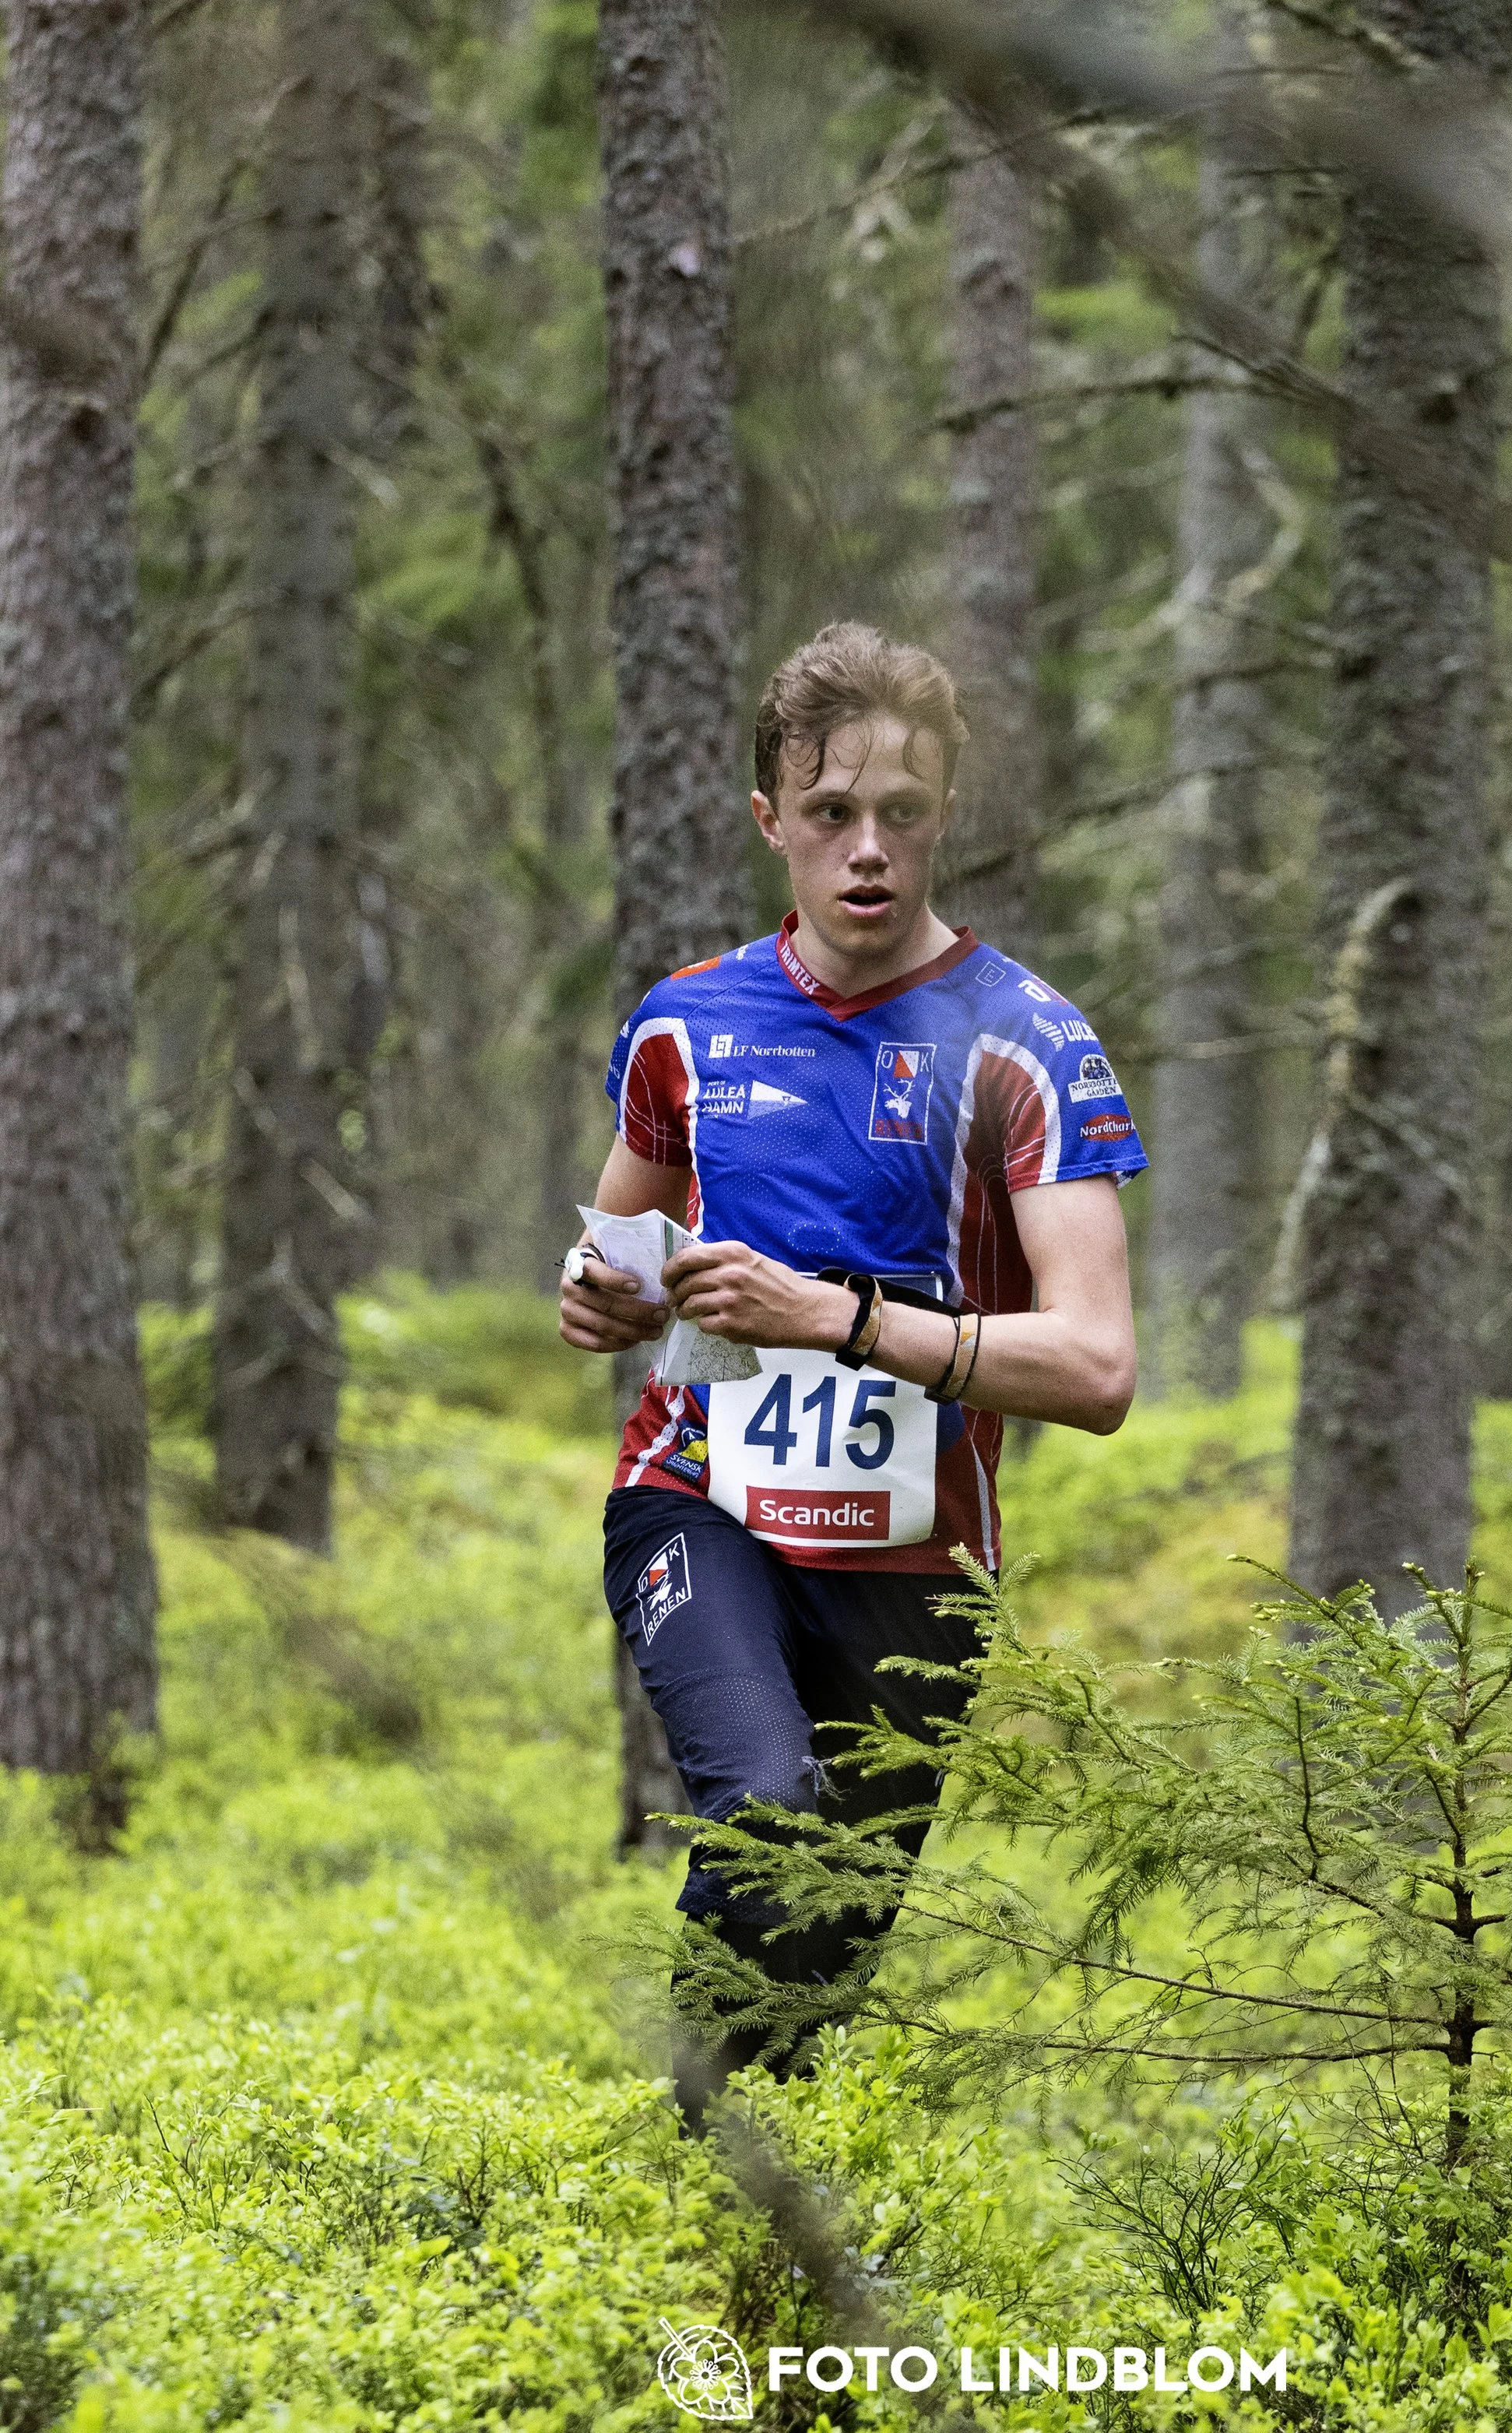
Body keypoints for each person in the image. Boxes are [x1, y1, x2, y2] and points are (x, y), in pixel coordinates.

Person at [559, 621, 1145, 2127]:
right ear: (773, 822)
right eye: (831, 815)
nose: (867, 850)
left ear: (948, 816)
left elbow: (1094, 1367)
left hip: (918, 1565)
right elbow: (619, 1239)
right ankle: (670, 2200)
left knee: (814, 1971)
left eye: (903, 813)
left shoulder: (1027, 1042)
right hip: (699, 1501)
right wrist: (605, 1296)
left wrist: (838, 1318)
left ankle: (724, 2220)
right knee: (764, 1816)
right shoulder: (685, 1023)